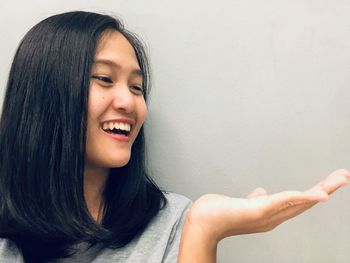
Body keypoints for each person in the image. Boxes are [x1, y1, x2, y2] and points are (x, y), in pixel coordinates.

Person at [0, 11, 348, 263]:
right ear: (45, 96)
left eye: (137, 87)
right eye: (105, 79)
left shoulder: (172, 221)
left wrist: (204, 229)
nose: (130, 102)